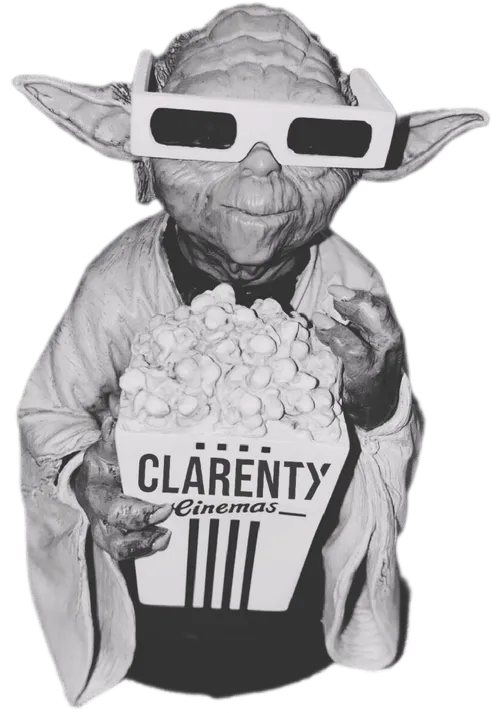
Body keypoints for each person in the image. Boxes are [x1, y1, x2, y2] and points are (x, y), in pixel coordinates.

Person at [12, 2, 488, 708]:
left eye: (312, 137)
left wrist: (378, 400)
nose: (262, 172)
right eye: (206, 131)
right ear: (137, 146)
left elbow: (389, 444)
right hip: (156, 610)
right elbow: (49, 414)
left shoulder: (349, 290)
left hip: (294, 619)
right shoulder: (120, 285)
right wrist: (87, 477)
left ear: (364, 162)